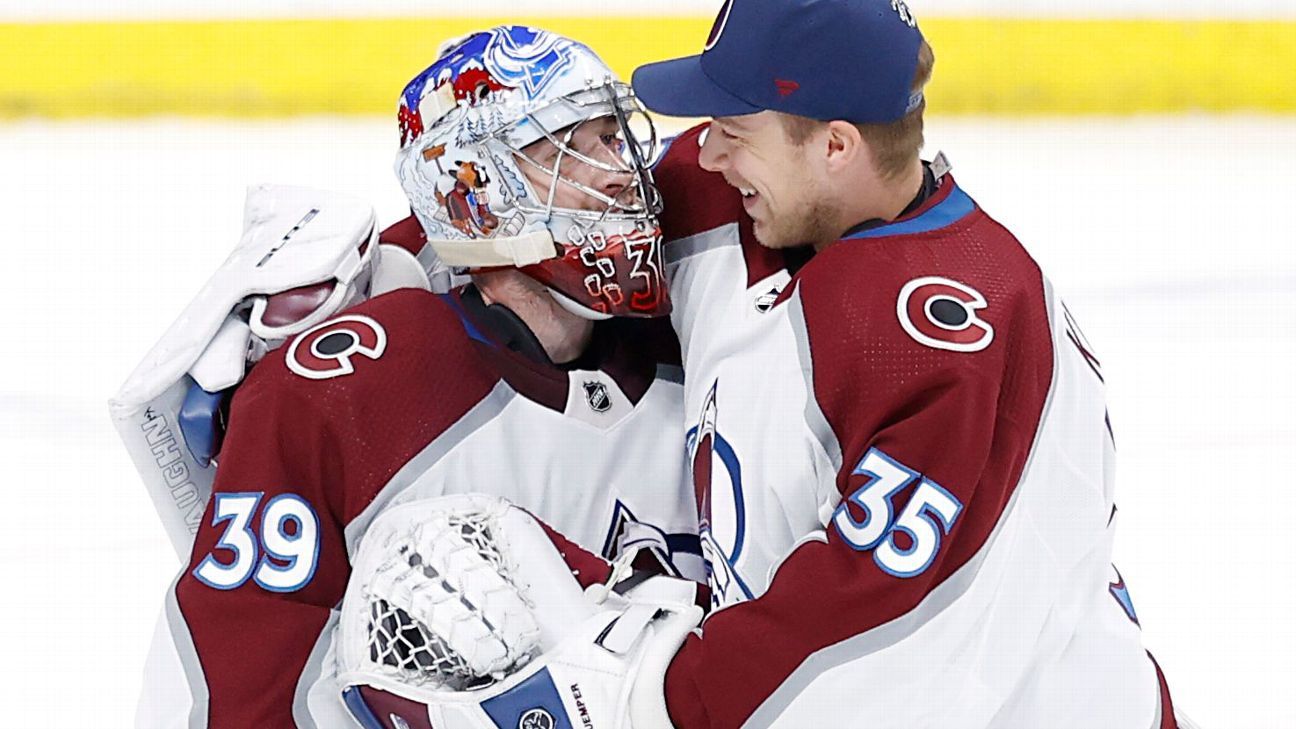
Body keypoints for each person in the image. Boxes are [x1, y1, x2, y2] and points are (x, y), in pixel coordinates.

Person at [621, 0, 1189, 725]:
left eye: (733, 131)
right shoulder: (750, 196)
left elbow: (875, 619)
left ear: (835, 147)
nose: (705, 154)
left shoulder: (946, 336)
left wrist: (650, 694)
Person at [128, 26, 703, 727]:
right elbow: (242, 672)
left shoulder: (701, 324)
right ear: (479, 192)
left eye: (614, 137)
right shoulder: (343, 390)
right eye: (566, 150)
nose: (618, 171)